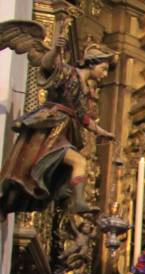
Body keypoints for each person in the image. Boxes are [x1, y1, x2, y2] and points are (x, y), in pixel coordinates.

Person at [0, 39, 116, 215]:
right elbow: (48, 66)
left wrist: (102, 132)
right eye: (104, 68)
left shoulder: (85, 88)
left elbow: (82, 116)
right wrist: (55, 48)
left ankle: (70, 198)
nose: (105, 74)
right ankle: (76, 201)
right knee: (75, 162)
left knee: (63, 166)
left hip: (63, 129)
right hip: (50, 126)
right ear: (92, 64)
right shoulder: (68, 72)